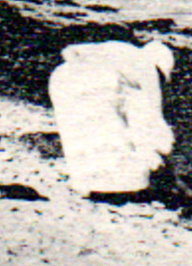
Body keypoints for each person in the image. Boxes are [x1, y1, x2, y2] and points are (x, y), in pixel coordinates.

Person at [47, 40, 176, 200]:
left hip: (62, 78)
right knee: (111, 135)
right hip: (98, 81)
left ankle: (85, 183)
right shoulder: (147, 69)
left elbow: (69, 52)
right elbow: (151, 120)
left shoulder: (122, 51)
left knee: (79, 133)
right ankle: (115, 189)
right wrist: (163, 155)